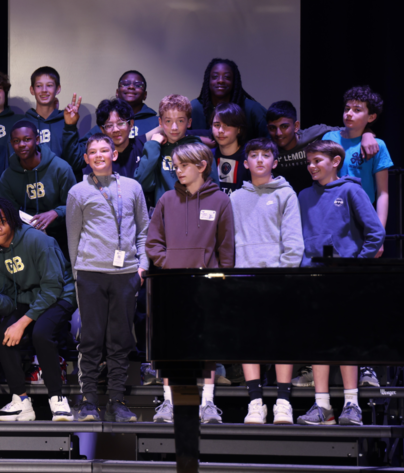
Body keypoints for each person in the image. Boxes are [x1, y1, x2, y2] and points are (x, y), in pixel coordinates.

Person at [296, 140, 383, 426]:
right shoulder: (304, 196)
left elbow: (375, 232)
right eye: (308, 162)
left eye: (317, 161)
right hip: (315, 280)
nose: (311, 166)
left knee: (347, 341)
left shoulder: (351, 190)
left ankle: (351, 404)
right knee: (320, 343)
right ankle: (322, 406)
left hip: (346, 281)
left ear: (335, 161)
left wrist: (354, 263)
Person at [145, 141, 234, 424]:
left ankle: (207, 403)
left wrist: (217, 280)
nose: (178, 171)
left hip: (207, 286)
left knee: (206, 346)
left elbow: (226, 249)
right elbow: (153, 242)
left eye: (183, 166)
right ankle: (170, 403)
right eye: (175, 166)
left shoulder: (221, 200)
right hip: (172, 285)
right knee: (172, 345)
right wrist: (171, 266)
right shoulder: (166, 200)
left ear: (202, 166)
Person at [66, 133, 149, 423]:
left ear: (114, 154)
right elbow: (73, 237)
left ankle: (117, 400)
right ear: (87, 159)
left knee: (120, 340)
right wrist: (79, 272)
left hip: (126, 274)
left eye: (104, 150)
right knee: (90, 339)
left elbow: (143, 230)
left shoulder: (133, 187)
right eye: (93, 151)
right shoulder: (78, 191)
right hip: (91, 274)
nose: (99, 155)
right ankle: (88, 401)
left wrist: (142, 265)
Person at [0, 197, 76, 422]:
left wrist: (23, 322)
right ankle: (21, 401)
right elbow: (11, 301)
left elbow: (53, 288)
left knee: (42, 333)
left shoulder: (38, 240)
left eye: (2, 221)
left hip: (61, 296)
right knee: (4, 334)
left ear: (12, 221)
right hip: (30, 299)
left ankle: (57, 399)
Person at [229, 138, 304, 425]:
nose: (260, 160)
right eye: (254, 155)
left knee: (281, 340)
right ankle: (255, 403)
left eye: (266, 155)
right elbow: (230, 242)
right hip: (245, 279)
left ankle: (283, 403)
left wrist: (283, 275)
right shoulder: (235, 198)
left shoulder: (286, 194)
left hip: (277, 279)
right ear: (245, 163)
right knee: (250, 341)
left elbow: (294, 242)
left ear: (275, 161)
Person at [320, 86, 392, 249]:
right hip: (331, 215)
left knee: (359, 270)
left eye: (357, 110)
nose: (349, 113)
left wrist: (378, 234)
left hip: (362, 217)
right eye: (347, 109)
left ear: (371, 117)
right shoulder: (329, 138)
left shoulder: (378, 146)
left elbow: (382, 193)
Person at [0, 120, 77, 259]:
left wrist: (55, 212)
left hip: (60, 233)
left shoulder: (61, 168)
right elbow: (8, 211)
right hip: (26, 234)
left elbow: (75, 205)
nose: (22, 144)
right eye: (16, 141)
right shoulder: (8, 176)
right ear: (11, 144)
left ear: (37, 140)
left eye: (27, 139)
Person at [265, 100, 379, 194]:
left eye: (284, 126)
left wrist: (367, 134)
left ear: (296, 126)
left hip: (318, 201)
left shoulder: (315, 134)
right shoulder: (267, 151)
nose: (278, 133)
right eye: (272, 128)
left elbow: (351, 131)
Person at [135, 94, 215, 207]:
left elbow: (214, 189)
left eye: (180, 121)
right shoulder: (156, 149)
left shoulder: (200, 150)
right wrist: (153, 145)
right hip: (164, 217)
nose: (174, 127)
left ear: (189, 122)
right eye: (168, 121)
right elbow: (142, 184)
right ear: (160, 122)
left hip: (196, 216)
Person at [23, 66, 82, 176]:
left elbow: (75, 161)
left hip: (63, 186)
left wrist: (71, 126)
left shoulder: (67, 121)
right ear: (32, 90)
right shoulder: (24, 124)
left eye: (49, 85)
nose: (44, 90)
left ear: (58, 89)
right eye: (39, 86)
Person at [190, 58, 267, 140]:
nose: (220, 81)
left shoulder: (252, 109)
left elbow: (270, 139)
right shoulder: (194, 108)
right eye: (215, 76)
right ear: (208, 80)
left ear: (234, 81)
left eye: (227, 77)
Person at [80, 98, 146, 180]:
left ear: (131, 124)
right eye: (109, 125)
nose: (115, 129)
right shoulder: (98, 158)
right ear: (102, 129)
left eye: (121, 123)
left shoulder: (142, 146)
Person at [85, 71, 159, 142]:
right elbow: (80, 151)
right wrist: (72, 125)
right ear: (117, 93)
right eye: (125, 83)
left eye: (138, 85)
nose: (131, 87)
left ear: (145, 95)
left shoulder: (158, 123)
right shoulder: (106, 123)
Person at [210, 102, 249, 195]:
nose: (220, 131)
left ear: (239, 129)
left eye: (227, 125)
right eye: (216, 125)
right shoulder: (207, 157)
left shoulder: (250, 158)